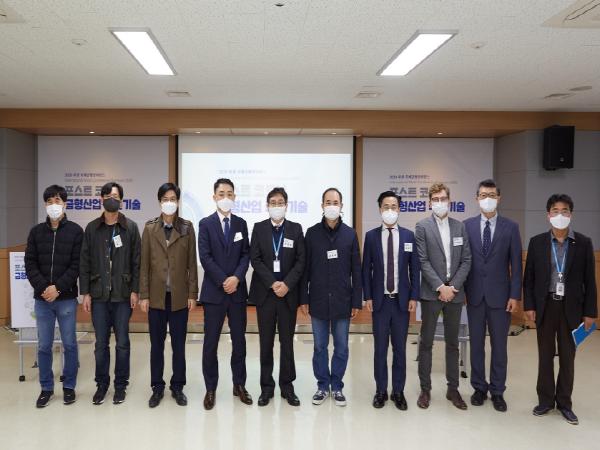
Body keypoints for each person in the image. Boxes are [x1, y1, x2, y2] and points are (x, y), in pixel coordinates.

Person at [524, 193, 597, 425]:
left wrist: (590, 312)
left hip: (572, 308)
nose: (560, 215)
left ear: (571, 214)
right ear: (548, 215)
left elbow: (590, 280)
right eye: (555, 211)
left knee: (567, 357)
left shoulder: (583, 243)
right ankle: (545, 400)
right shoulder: (537, 242)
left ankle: (564, 403)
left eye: (564, 211)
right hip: (546, 306)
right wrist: (529, 306)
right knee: (545, 356)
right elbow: (529, 279)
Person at [80, 182, 141, 405]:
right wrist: (85, 293)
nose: (111, 199)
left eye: (114, 196)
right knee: (100, 344)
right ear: (101, 200)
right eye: (107, 196)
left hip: (123, 295)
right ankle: (102, 384)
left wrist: (135, 290)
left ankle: (120, 385)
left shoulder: (130, 228)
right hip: (98, 295)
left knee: (122, 342)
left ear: (121, 200)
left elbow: (137, 262)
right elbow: (84, 262)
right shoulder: (92, 229)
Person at [463, 179, 522, 412]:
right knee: (476, 344)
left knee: (499, 346)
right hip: (474, 296)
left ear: (499, 198)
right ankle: (479, 387)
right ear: (476, 198)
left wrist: (514, 295)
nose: (487, 199)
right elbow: (463, 262)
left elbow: (516, 265)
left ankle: (498, 391)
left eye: (492, 195)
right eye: (483, 195)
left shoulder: (511, 227)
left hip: (501, 297)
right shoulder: (466, 226)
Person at [300, 187, 362, 407]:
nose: (332, 206)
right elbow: (305, 269)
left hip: (343, 301)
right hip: (317, 300)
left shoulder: (350, 234)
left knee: (342, 347)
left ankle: (337, 386)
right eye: (328, 202)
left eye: (335, 202)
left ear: (341, 206)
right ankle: (322, 385)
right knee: (319, 346)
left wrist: (356, 300)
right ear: (322, 205)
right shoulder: (312, 233)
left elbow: (356, 270)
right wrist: (303, 298)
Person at [139, 182, 198, 408]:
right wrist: (144, 295)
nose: (169, 203)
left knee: (179, 345)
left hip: (179, 297)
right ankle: (157, 386)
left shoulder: (187, 228)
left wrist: (192, 293)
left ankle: (178, 386)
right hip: (156, 297)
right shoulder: (149, 229)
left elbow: (192, 263)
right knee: (157, 345)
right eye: (165, 199)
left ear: (178, 202)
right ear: (159, 202)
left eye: (173, 199)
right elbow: (144, 265)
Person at [25, 185, 83, 408]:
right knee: (43, 346)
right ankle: (46, 388)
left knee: (70, 344)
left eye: (57, 201)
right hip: (43, 300)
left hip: (66, 298)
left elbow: (76, 265)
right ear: (45, 205)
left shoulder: (76, 231)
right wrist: (44, 288)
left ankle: (69, 386)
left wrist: (57, 288)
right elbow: (30, 263)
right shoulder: (36, 232)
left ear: (65, 204)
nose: (53, 205)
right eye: (49, 202)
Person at [415, 182, 472, 410]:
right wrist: (440, 286)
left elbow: (466, 260)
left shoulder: (460, 227)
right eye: (435, 199)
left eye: (443, 199)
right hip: (431, 293)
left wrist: (452, 286)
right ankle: (425, 389)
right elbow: (423, 261)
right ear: (430, 202)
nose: (440, 203)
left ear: (449, 201)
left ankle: (453, 389)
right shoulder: (422, 227)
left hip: (455, 294)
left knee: (452, 344)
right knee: (426, 343)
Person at [363, 191, 420, 410]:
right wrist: (368, 296)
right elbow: (365, 270)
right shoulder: (371, 237)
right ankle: (381, 391)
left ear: (399, 209)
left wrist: (413, 296)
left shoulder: (408, 236)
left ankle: (398, 391)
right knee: (380, 349)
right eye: (386, 206)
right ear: (380, 209)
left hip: (401, 302)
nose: (390, 210)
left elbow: (414, 269)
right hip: (380, 302)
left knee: (400, 349)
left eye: (393, 206)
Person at [198, 178, 251, 410]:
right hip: (214, 293)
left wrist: (236, 278)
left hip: (237, 293)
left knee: (239, 342)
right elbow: (205, 256)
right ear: (214, 197)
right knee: (210, 343)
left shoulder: (241, 223)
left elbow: (246, 255)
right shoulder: (205, 224)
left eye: (229, 194)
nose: (225, 197)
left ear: (234, 197)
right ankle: (210, 388)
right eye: (221, 194)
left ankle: (239, 385)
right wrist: (224, 280)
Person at [249, 187, 305, 407]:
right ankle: (266, 387)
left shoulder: (295, 229)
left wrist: (287, 284)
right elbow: (255, 259)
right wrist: (273, 283)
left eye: (280, 202)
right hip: (266, 294)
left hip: (287, 295)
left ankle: (287, 387)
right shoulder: (259, 228)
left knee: (287, 343)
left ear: (286, 205)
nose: (276, 206)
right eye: (273, 202)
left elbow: (301, 260)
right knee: (266, 343)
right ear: (267, 206)